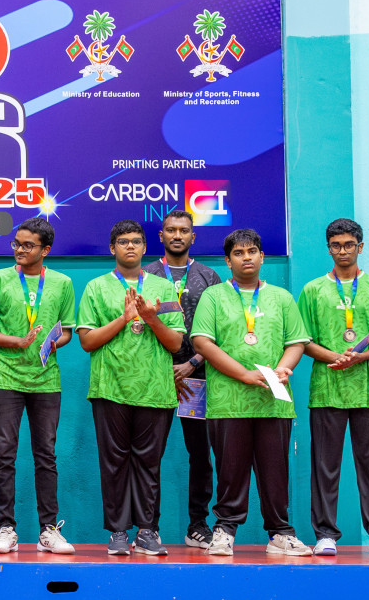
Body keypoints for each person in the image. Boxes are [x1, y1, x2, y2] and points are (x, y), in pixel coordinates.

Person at [190, 228, 313, 556]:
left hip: (274, 399)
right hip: (228, 400)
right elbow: (202, 341)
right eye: (239, 253)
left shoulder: (282, 297)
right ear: (228, 260)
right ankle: (225, 530)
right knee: (230, 469)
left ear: (262, 257)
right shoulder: (213, 296)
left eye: (252, 251)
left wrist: (285, 368)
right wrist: (242, 374)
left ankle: (280, 533)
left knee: (276, 469)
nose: (247, 257)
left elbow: (296, 341)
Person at [75, 221, 186, 556]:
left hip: (155, 389)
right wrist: (124, 318)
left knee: (149, 463)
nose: (130, 247)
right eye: (123, 241)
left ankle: (148, 531)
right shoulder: (95, 288)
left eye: (136, 241)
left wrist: (150, 318)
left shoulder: (164, 288)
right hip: (110, 388)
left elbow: (175, 344)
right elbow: (86, 341)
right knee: (114, 463)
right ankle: (119, 532)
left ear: (144, 247)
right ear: (112, 248)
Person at [297, 218, 369, 556]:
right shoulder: (312, 290)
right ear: (328, 248)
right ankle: (325, 534)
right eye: (336, 245)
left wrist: (359, 358)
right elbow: (302, 341)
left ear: (360, 246)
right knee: (325, 465)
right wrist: (335, 356)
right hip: (327, 387)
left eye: (349, 245)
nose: (342, 251)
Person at [0, 218, 75, 554]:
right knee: (5, 454)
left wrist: (51, 343)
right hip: (5, 378)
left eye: (28, 245)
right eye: (16, 243)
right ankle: (6, 528)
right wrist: (16, 342)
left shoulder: (62, 283)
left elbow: (68, 332)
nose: (19, 249)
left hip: (47, 381)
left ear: (45, 250)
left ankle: (49, 529)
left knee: (46, 455)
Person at [142, 208, 224, 548]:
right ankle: (149, 527)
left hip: (198, 378)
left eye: (184, 230)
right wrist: (166, 370)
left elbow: (222, 331)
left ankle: (197, 525)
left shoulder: (209, 277)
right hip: (155, 378)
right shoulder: (144, 275)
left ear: (193, 237)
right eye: (171, 230)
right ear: (161, 236)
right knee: (149, 455)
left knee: (200, 454)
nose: (177, 235)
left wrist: (192, 362)